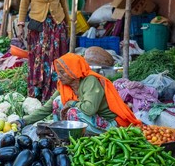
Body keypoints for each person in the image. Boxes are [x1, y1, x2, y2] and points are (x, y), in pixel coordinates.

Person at [13, 53, 141, 135]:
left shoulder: (90, 82)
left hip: (108, 124)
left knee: (72, 112)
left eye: (63, 72)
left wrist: (72, 103)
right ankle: (60, 134)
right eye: (59, 72)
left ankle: (82, 136)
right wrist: (24, 121)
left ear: (73, 72)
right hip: (89, 120)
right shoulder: (65, 85)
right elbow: (47, 108)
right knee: (58, 101)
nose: (59, 76)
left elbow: (89, 109)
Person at [17, 0, 70, 103]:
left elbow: (64, 3)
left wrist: (68, 24)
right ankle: (37, 92)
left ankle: (54, 92)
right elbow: (23, 3)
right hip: (38, 27)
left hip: (56, 25)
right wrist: (21, 25)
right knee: (39, 59)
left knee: (55, 59)